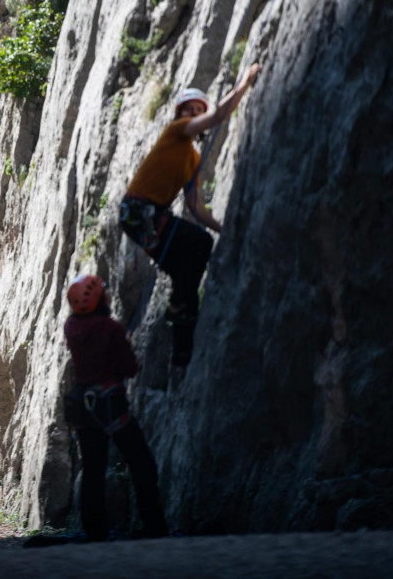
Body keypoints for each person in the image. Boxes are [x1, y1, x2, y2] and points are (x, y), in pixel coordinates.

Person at [119, 64, 262, 364]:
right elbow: (217, 117)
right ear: (180, 113)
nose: (195, 113)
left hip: (145, 215)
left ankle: (181, 350)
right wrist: (245, 83)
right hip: (140, 209)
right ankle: (177, 308)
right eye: (190, 109)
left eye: (199, 108)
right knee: (198, 244)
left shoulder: (193, 158)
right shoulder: (176, 132)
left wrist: (224, 229)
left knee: (186, 270)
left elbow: (196, 206)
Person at [63, 275, 169, 541]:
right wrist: (124, 341)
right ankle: (154, 524)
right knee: (141, 462)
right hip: (111, 404)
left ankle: (94, 531)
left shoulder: (71, 325)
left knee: (93, 469)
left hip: (84, 408)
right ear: (99, 300)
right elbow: (130, 368)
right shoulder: (110, 328)